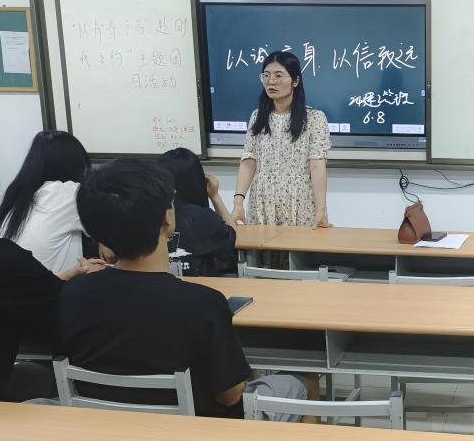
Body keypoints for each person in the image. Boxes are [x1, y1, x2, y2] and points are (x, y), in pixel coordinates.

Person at [61, 159, 306, 419]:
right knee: (298, 385)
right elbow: (230, 395)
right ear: (166, 217)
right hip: (202, 433)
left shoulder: (73, 294)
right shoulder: (202, 303)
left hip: (106, 426)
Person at [0, 142, 102, 406]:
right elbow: (62, 311)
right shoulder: (0, 258)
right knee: (48, 377)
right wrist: (91, 280)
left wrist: (59, 279)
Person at [231, 50, 332, 230]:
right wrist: (238, 202)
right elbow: (248, 161)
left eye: (279, 75)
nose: (271, 81)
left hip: (300, 200)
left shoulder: (314, 118)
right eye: (266, 75)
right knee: (260, 247)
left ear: (295, 81)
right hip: (262, 200)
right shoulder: (257, 117)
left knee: (300, 247)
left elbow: (317, 165)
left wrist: (321, 209)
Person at [0, 130, 91, 273]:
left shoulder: (18, 193)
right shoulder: (67, 194)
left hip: (11, 283)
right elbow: (111, 226)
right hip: (50, 285)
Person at [157, 148, 237, 277]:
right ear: (197, 181)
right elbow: (232, 238)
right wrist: (215, 197)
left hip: (151, 286)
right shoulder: (203, 218)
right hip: (196, 287)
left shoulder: (143, 215)